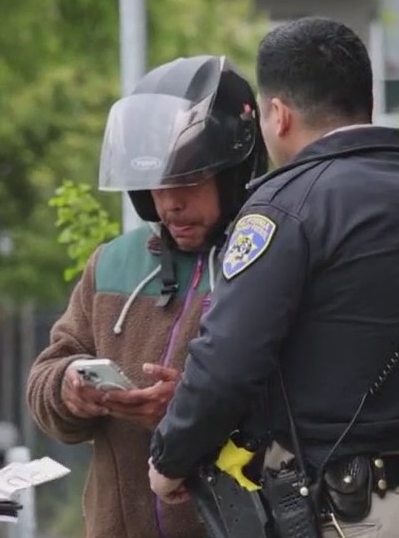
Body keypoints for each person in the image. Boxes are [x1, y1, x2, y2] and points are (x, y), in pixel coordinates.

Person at [147, 17, 399, 537]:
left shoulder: (283, 207)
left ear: (279, 114)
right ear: (368, 103)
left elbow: (227, 360)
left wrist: (169, 458)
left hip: (337, 512)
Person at [25, 55, 268, 538]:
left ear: (234, 172)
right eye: (155, 184)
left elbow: (299, 407)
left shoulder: (269, 263)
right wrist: (69, 386)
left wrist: (193, 411)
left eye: (187, 181)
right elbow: (45, 379)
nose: (168, 202)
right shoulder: (113, 263)